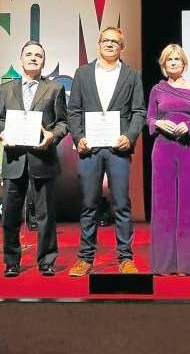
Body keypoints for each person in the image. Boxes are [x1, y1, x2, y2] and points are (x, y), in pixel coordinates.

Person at [67, 27, 146, 276]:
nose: (110, 44)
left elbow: (139, 112)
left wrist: (130, 136)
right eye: (106, 40)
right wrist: (78, 137)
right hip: (89, 148)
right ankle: (85, 258)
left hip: (118, 148)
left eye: (116, 41)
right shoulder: (83, 73)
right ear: (98, 44)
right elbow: (74, 111)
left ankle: (125, 258)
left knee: (121, 204)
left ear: (122, 47)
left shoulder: (132, 75)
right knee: (89, 204)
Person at [0, 41, 68, 277]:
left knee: (45, 215)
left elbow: (63, 123)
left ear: (43, 62)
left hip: (42, 158)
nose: (33, 58)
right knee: (11, 214)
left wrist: (51, 136)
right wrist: (3, 132)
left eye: (38, 55)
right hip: (14, 159)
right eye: (29, 54)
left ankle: (46, 261)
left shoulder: (54, 89)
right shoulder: (6, 89)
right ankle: (11, 261)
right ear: (21, 59)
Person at [147, 44, 190, 275]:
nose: (173, 62)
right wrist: (158, 123)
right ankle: (165, 264)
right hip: (163, 149)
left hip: (189, 148)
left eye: (177, 59)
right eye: (169, 60)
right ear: (163, 64)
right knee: (164, 207)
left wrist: (189, 125)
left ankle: (188, 264)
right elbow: (149, 118)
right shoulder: (157, 89)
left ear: (184, 63)